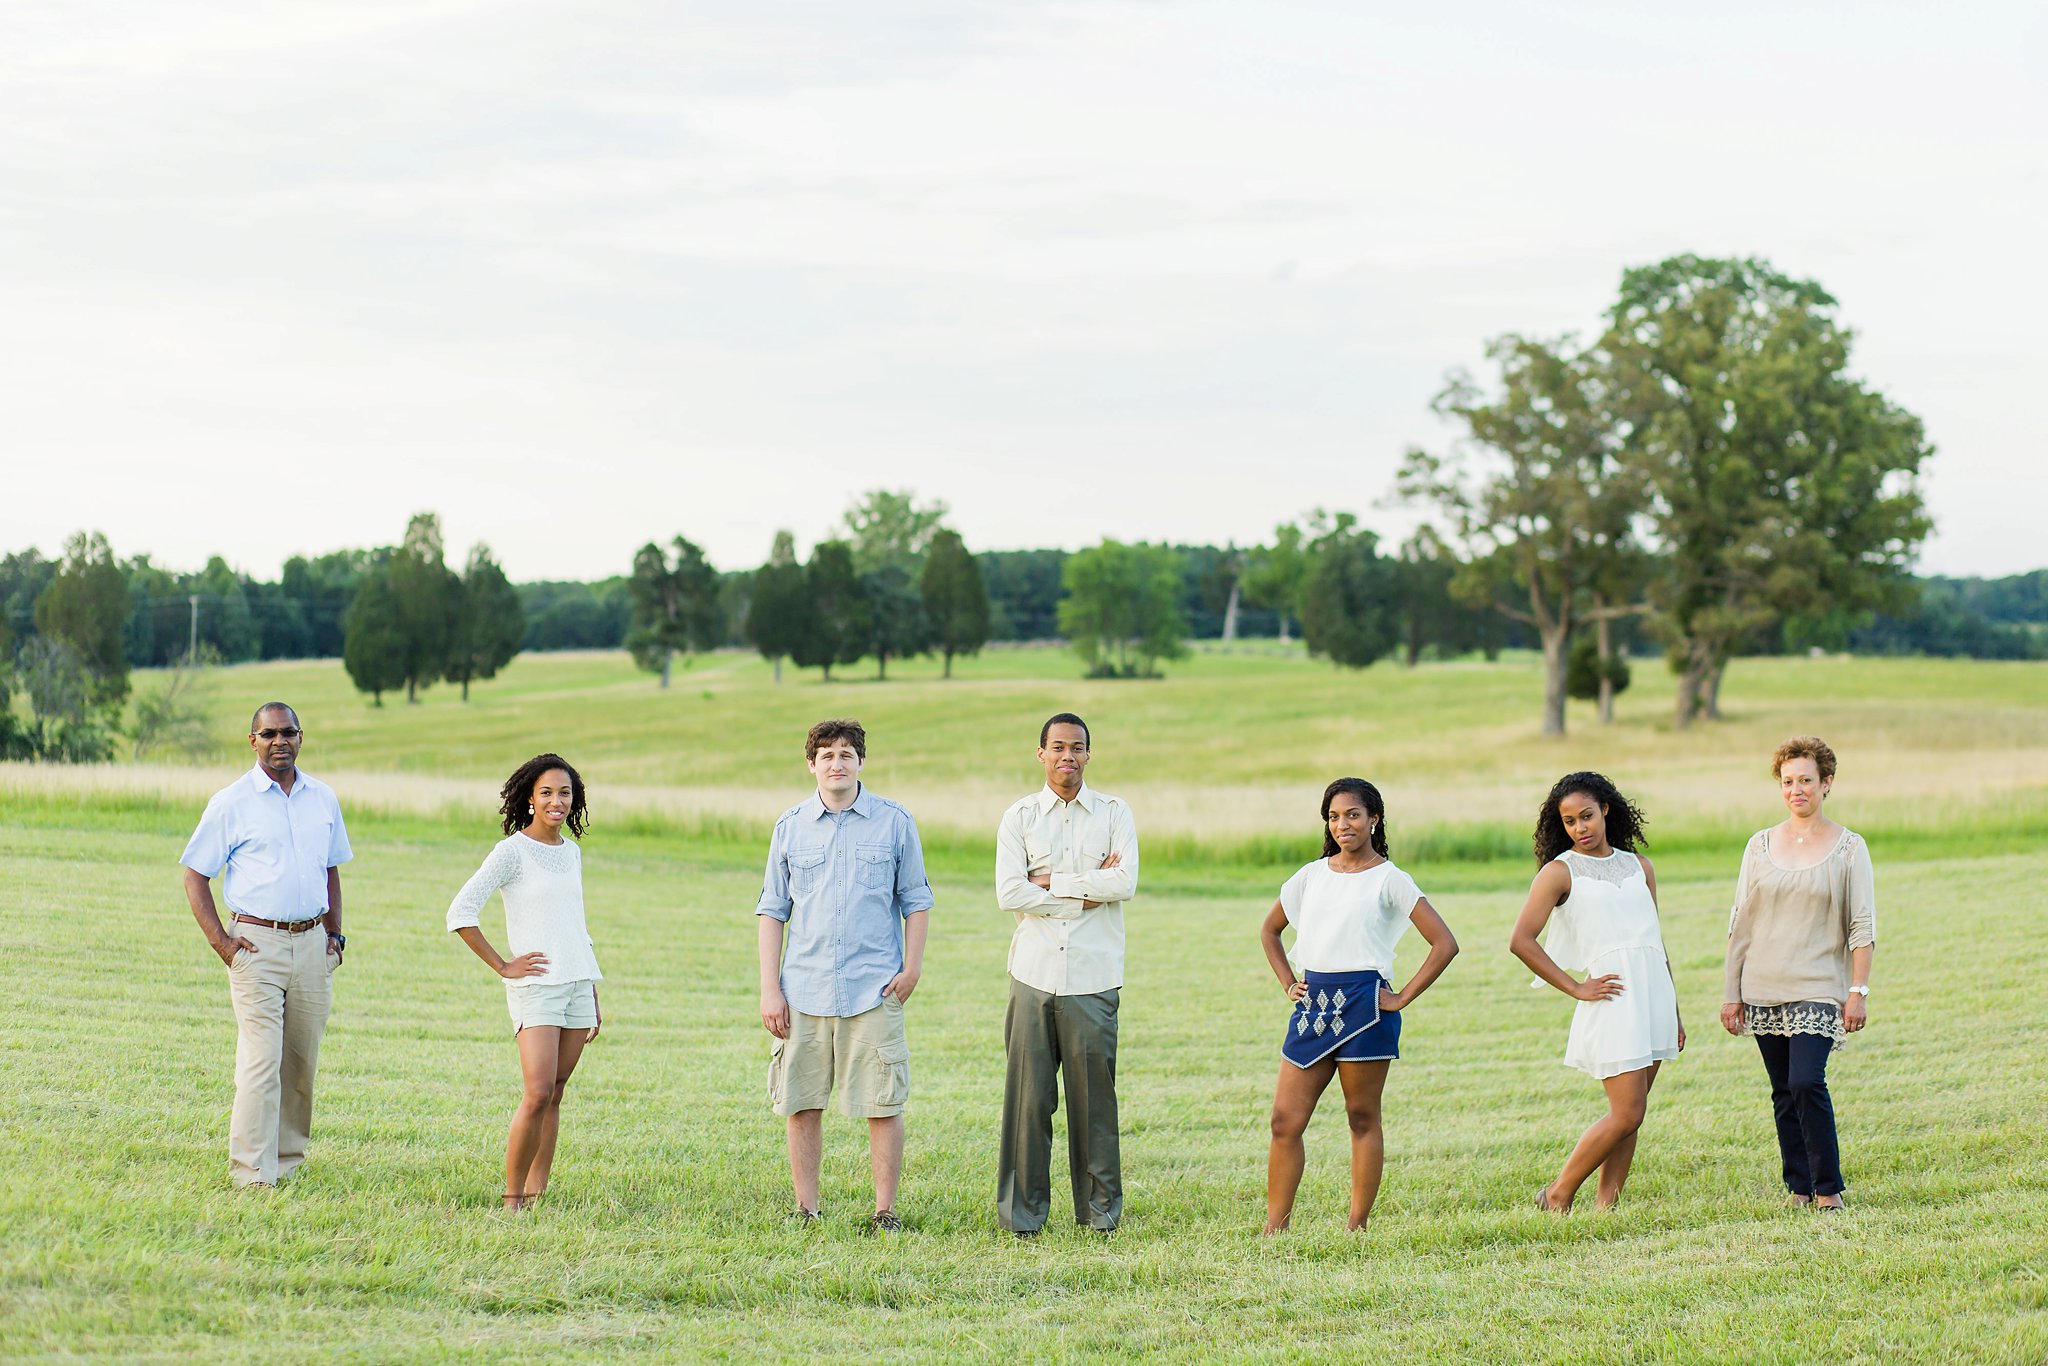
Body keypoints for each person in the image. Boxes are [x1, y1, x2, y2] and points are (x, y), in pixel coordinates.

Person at [1258, 778, 1458, 1234]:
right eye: (1333, 816)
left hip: (1367, 1008)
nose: (1342, 824)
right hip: (1314, 1008)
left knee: (1362, 1117)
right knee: (1284, 1121)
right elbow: (1269, 931)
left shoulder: (1390, 878)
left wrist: (1402, 996)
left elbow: (1444, 943)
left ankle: (1357, 1225)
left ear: (1374, 819)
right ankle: (1275, 1227)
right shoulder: (1310, 876)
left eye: (1352, 814)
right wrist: (1288, 982)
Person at [757, 719, 933, 1233]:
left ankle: (885, 1211)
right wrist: (771, 988)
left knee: (883, 1102)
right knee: (801, 1101)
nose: (837, 763)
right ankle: (806, 1209)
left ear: (861, 761)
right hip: (803, 989)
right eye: (827, 754)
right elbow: (772, 910)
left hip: (873, 989)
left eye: (847, 753)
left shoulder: (895, 822)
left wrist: (912, 967)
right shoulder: (789, 828)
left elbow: (917, 901)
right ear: (811, 764)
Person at [179, 702, 352, 1188]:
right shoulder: (231, 802)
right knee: (261, 1061)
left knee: (300, 1062)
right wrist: (223, 944)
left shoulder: (323, 798)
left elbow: (331, 869)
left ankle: (288, 1162)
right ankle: (252, 1173)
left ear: (301, 737)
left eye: (289, 732)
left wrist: (335, 937)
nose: (280, 741)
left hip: (314, 945)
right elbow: (195, 876)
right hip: (255, 946)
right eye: (269, 733)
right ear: (252, 740)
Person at [1509, 772, 1684, 1213]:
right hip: (1612, 997)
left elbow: (1655, 940)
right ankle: (1557, 1193)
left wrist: (1675, 1010)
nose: (1580, 828)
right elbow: (1521, 941)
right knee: (1626, 1112)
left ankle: (1608, 1206)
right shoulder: (1559, 872)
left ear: (1606, 809)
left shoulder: (1640, 866)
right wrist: (1575, 987)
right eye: (1569, 821)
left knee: (1635, 1112)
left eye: (1586, 816)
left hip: (1653, 996)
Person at [994, 712, 1139, 1237]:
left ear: (1088, 754)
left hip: (1094, 980)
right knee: (1028, 1101)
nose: (1067, 757)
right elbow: (1009, 892)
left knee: (1093, 1104)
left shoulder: (1114, 812)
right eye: (1057, 747)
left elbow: (1124, 881)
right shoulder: (1020, 817)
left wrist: (1052, 883)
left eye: (1077, 748)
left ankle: (1099, 1216)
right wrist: (1085, 892)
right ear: (1041, 754)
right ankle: (1021, 1217)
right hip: (1032, 976)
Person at [1722, 736, 1876, 1210]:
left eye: (1806, 780)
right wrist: (1732, 993)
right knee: (1783, 1092)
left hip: (1818, 988)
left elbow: (1862, 926)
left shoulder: (1850, 849)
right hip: (1763, 985)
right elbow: (1739, 923)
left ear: (1826, 783)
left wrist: (1857, 992)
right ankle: (1799, 1187)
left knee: (1807, 1081)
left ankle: (1827, 1190)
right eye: (1788, 782)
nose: (1796, 790)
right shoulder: (1760, 845)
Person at [446, 754, 603, 1212]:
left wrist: (591, 988)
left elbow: (576, 924)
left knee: (556, 1091)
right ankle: (512, 1198)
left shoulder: (571, 852)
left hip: (577, 983)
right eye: (548, 793)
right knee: (536, 1092)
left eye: (565, 793)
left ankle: (537, 1194)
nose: (557, 801)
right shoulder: (511, 852)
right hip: (535, 987)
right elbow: (460, 912)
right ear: (530, 800)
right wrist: (503, 965)